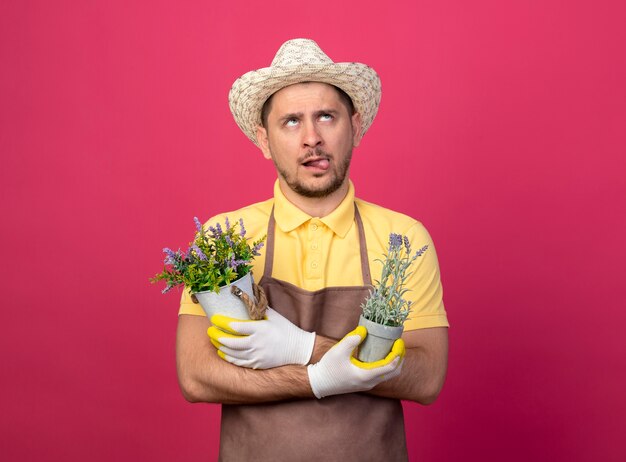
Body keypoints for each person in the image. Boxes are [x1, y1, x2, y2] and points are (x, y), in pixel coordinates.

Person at [176, 38, 449, 461]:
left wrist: (304, 347)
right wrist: (321, 376)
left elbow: (427, 377)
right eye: (291, 121)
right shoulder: (224, 237)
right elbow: (196, 377)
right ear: (264, 140)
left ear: (354, 128)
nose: (311, 138)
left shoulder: (404, 239)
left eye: (326, 116)